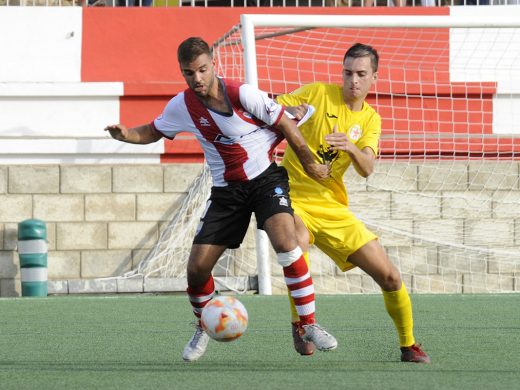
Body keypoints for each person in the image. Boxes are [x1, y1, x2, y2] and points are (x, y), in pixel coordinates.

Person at [105, 37, 338, 362]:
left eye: (202, 69)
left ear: (213, 64)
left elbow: (284, 124)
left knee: (287, 243)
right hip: (227, 192)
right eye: (189, 73)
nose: (197, 78)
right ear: (182, 72)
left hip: (265, 180)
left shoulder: (242, 93)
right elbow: (153, 130)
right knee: (197, 270)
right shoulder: (182, 106)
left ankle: (307, 324)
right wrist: (126, 134)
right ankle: (204, 322)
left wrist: (311, 162)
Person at [276, 43, 431, 363]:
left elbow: (367, 168)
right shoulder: (317, 93)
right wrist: (292, 113)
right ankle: (302, 323)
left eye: (361, 74)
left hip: (332, 207)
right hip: (293, 197)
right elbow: (273, 108)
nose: (353, 81)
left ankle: (408, 345)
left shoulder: (371, 120)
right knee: (296, 244)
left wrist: (349, 146)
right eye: (348, 73)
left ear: (374, 77)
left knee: (389, 276)